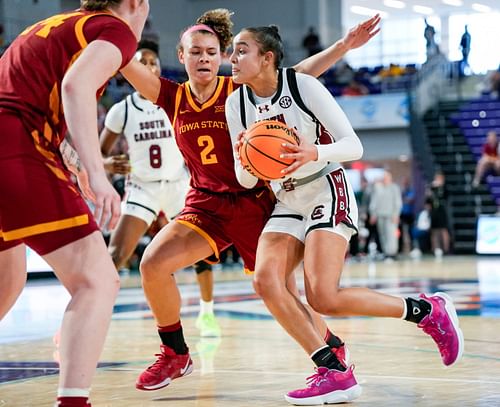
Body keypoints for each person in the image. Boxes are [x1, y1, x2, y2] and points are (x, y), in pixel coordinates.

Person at [121, 9, 381, 392]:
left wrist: (342, 47)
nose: (204, 58)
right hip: (206, 203)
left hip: (254, 202)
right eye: (195, 52)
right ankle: (175, 352)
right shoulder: (171, 96)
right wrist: (112, 28)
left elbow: (297, 76)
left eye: (211, 51)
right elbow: (125, 61)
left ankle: (332, 349)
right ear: (182, 56)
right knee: (153, 264)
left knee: (283, 291)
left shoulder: (238, 90)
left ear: (222, 56)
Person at [225, 24, 464, 405]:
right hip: (286, 199)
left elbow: (353, 145)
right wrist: (244, 156)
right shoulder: (236, 104)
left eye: (241, 51)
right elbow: (243, 177)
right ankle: (332, 369)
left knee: (323, 297)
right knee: (266, 281)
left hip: (325, 185)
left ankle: (426, 310)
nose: (232, 59)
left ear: (266, 58)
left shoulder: (303, 87)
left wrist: (313, 153)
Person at [0, 1, 149, 406]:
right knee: (97, 281)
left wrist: (71, 157)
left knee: (6, 284)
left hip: (16, 142)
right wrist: (97, 172)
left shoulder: (55, 24)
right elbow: (74, 87)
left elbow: (33, 96)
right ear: (136, 3)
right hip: (15, 148)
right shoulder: (115, 30)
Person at [100, 40, 219, 337]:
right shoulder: (121, 110)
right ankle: (95, 313)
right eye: (143, 62)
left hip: (179, 184)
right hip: (143, 187)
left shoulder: (175, 98)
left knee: (202, 253)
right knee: (116, 254)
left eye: (153, 62)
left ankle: (207, 313)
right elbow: (99, 155)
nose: (149, 67)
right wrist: (107, 163)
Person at [369, 169, 402, 261]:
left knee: (391, 235)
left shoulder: (394, 188)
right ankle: (386, 253)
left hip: (391, 215)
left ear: (390, 178)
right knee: (382, 234)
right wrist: (373, 214)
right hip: (380, 215)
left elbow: (398, 202)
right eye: (383, 177)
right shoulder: (378, 188)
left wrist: (396, 214)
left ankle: (392, 253)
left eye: (386, 177)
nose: (385, 179)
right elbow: (374, 202)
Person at [428, 170, 451, 258]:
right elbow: (429, 199)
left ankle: (446, 249)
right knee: (434, 231)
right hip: (434, 211)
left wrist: (440, 187)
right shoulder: (432, 187)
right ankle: (435, 249)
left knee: (443, 230)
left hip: (442, 211)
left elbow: (446, 197)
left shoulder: (444, 188)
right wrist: (432, 188)